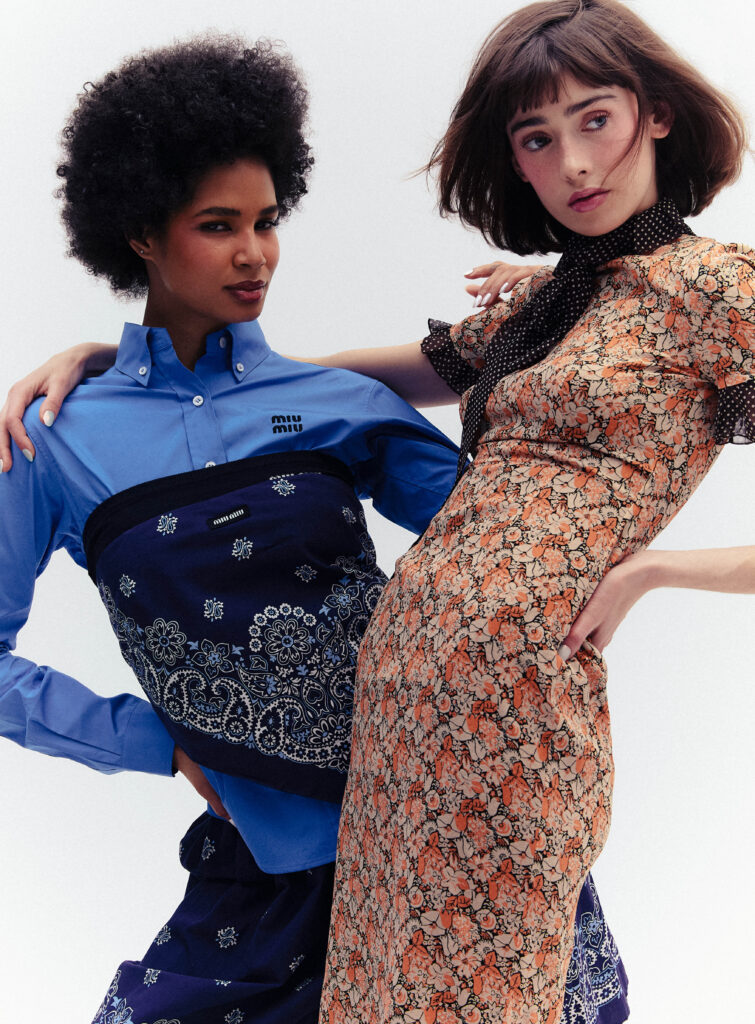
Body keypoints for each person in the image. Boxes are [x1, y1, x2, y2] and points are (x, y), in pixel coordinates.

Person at [0, 29, 629, 1024]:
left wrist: (563, 309)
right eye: (217, 225)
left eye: (265, 221)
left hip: (454, 822)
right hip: (269, 868)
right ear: (140, 233)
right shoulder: (55, 437)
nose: (254, 253)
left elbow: (517, 540)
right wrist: (155, 742)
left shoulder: (337, 403)